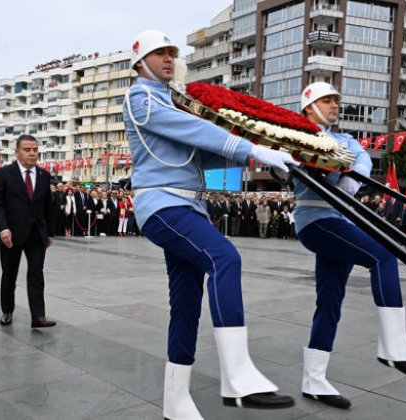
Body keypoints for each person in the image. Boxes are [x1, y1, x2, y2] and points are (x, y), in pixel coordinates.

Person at [123, 29, 295, 419]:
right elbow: (196, 132)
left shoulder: (169, 102)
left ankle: (175, 403)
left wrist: (262, 157)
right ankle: (237, 376)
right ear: (139, 62)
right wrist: (250, 147)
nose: (168, 58)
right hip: (163, 205)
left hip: (189, 207)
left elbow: (200, 156)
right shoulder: (140, 97)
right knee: (224, 258)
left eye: (172, 52)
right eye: (159, 53)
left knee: (186, 305)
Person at [293, 82, 406, 409]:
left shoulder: (344, 139)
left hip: (340, 219)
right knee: (384, 255)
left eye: (334, 100)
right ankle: (394, 347)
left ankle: (314, 380)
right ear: (308, 107)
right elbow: (296, 165)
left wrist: (348, 174)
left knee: (330, 300)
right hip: (316, 220)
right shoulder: (294, 134)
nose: (334, 105)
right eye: (326, 100)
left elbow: (360, 162)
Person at [0, 134, 56, 328]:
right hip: (10, 234)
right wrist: (3, 228)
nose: (32, 153)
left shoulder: (44, 175)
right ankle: (7, 311)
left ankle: (38, 316)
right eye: (27, 150)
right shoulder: (4, 173)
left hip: (37, 233)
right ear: (17, 152)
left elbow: (48, 205)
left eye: (35, 150)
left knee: (36, 273)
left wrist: (50, 232)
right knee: (9, 274)